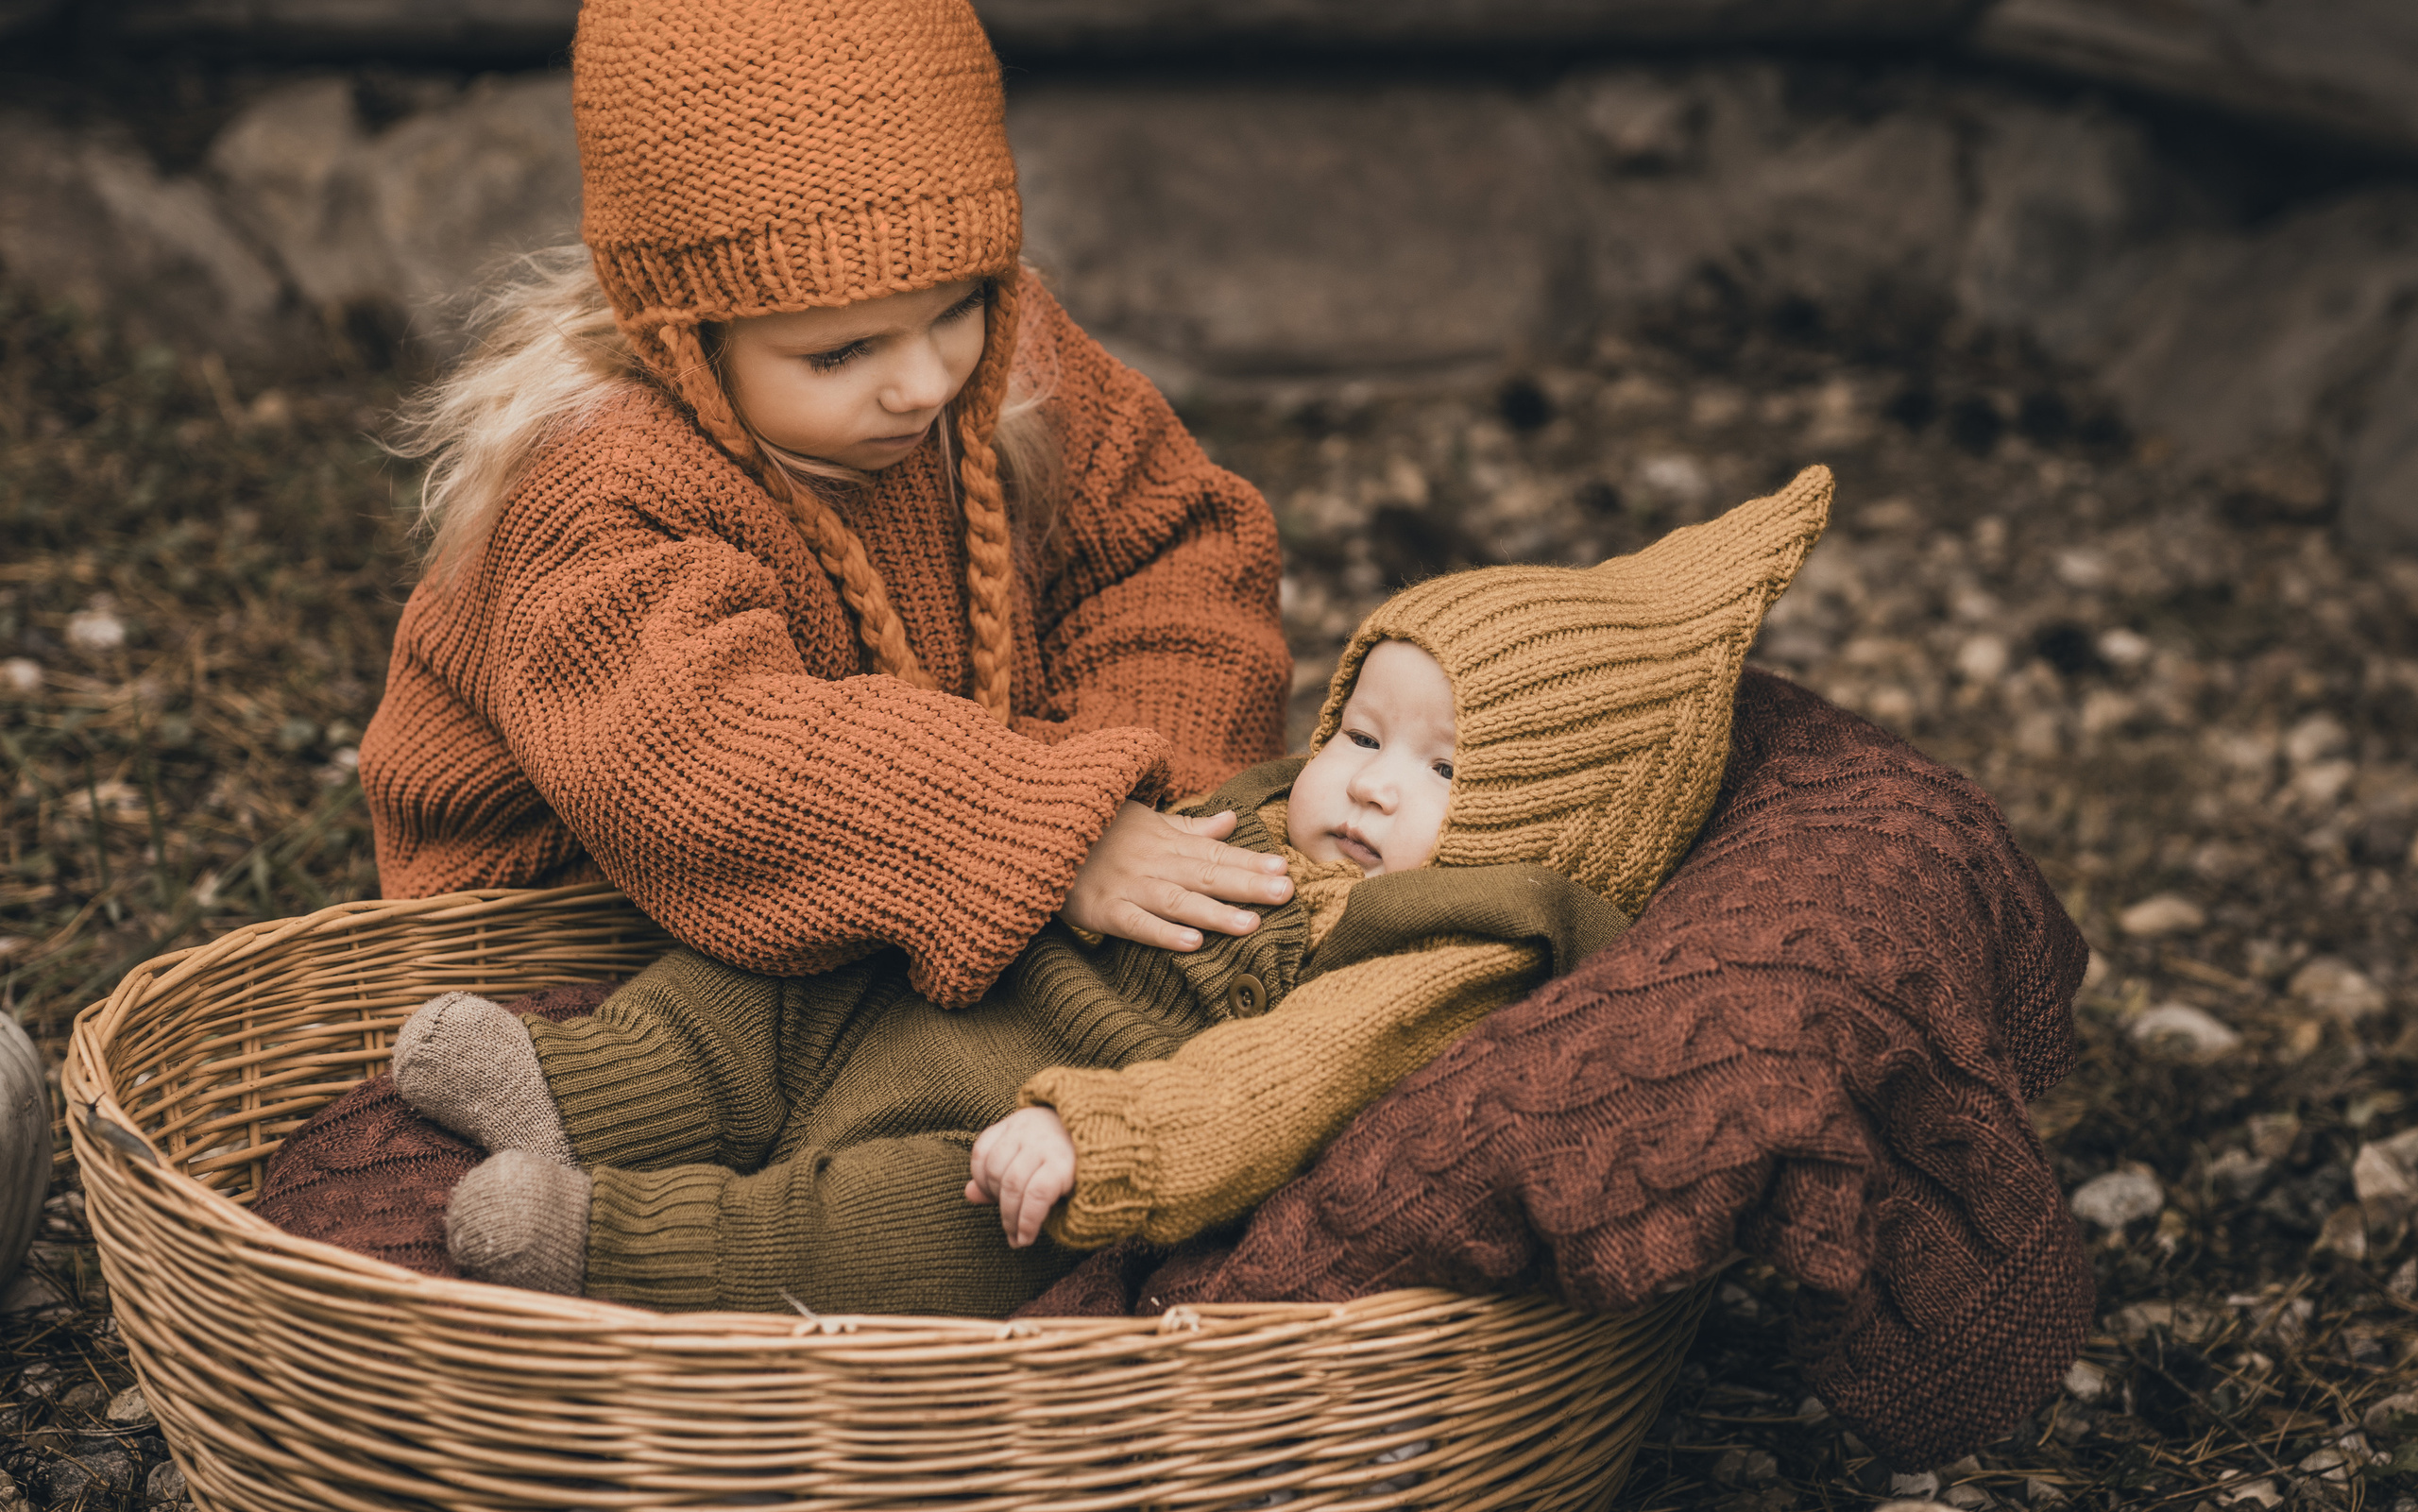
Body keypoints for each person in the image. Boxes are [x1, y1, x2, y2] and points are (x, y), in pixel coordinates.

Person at [383, 469, 1833, 1317]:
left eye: (1444, 770)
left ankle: (615, 1240)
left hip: (1030, 1125)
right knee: (776, 977)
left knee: (900, 1222)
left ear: (1546, 829)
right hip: (961, 996)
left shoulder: (1450, 945)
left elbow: (1284, 1076)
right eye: (1360, 732)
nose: (1372, 784)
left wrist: (1108, 1146)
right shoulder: (1278, 805)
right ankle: (584, 1085)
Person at [357, 0, 1299, 1016]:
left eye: (959, 308)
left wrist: (1144, 795)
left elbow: (1173, 554)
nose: (923, 384)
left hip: (951, 884)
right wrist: (1041, 825)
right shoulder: (602, 486)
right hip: (604, 946)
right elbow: (698, 757)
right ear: (686, 339)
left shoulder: (1010, 358)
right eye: (840, 353)